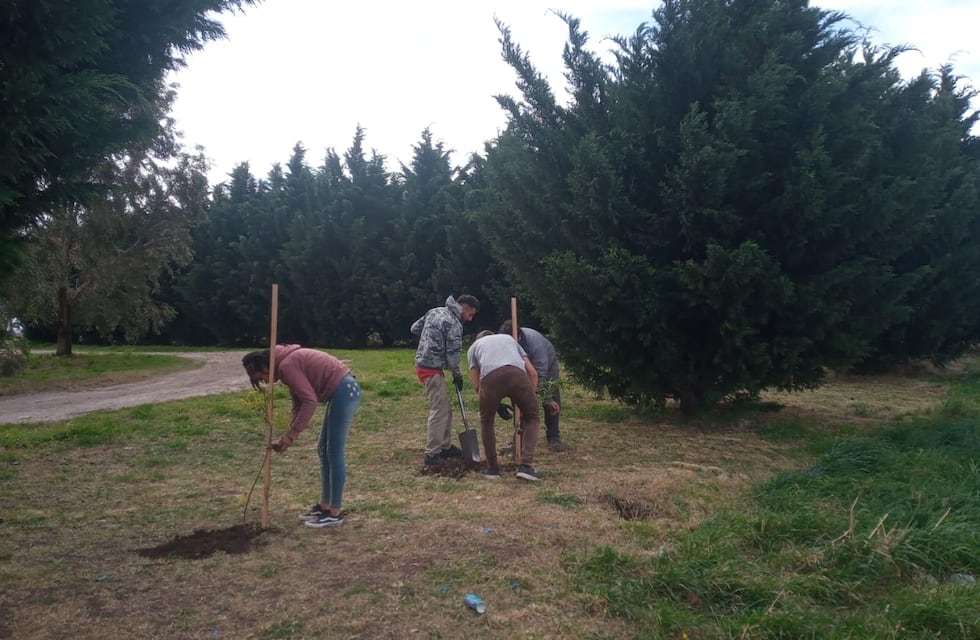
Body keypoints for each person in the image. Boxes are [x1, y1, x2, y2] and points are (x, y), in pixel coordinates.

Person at [241, 345, 361, 529]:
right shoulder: (286, 365)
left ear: (265, 367)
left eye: (261, 378)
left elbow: (309, 400)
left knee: (334, 451)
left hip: (344, 391)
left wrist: (292, 435)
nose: (265, 382)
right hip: (340, 392)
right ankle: (324, 506)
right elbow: (298, 401)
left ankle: (334, 513)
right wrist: (289, 432)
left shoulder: (287, 365)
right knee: (323, 450)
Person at [411, 294, 480, 466]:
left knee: (446, 408)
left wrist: (430, 340)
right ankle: (432, 453)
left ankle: (445, 446)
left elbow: (414, 328)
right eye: (470, 314)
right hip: (430, 368)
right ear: (464, 307)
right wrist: (457, 374)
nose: (470, 319)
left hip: (426, 364)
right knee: (439, 409)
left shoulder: (434, 311)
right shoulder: (454, 324)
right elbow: (452, 355)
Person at [467, 329, 542, 481]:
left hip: (491, 380)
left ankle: (492, 468)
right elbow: (533, 373)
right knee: (532, 418)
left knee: (486, 422)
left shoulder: (474, 347)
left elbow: (477, 385)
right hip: (517, 376)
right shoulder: (509, 339)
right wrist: (528, 402)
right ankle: (526, 466)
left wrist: (495, 403)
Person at [499, 321, 565, 452]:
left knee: (550, 394)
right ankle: (518, 440)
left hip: (545, 365)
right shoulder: (503, 341)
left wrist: (540, 397)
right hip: (521, 368)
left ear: (518, 337)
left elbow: (540, 374)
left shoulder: (535, 343)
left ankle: (553, 437)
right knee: (518, 399)